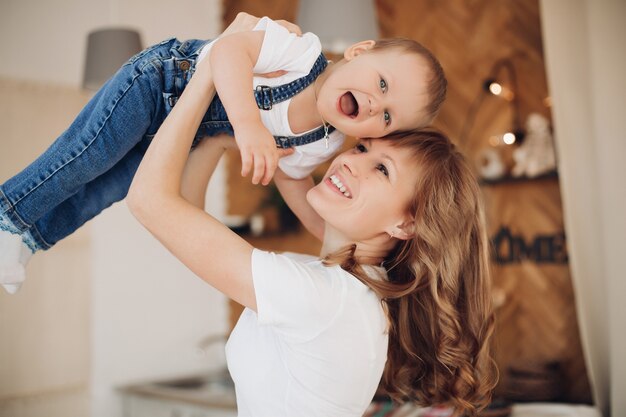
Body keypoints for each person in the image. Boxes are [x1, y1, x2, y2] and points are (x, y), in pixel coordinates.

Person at [126, 46, 496, 416]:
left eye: (382, 170)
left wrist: (210, 72)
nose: (351, 162)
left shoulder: (324, 297)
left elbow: (149, 201)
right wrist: (224, 135)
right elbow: (183, 214)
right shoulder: (340, 289)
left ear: (406, 223)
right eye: (363, 147)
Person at [0, 12, 446, 294]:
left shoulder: (324, 142)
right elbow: (231, 48)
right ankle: (8, 215)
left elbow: (294, 180)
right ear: (360, 51)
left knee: (108, 188)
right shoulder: (299, 53)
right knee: (86, 158)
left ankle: (30, 240)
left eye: (386, 117)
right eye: (382, 84)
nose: (373, 103)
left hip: (181, 131)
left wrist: (327, 236)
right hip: (158, 84)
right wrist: (249, 124)